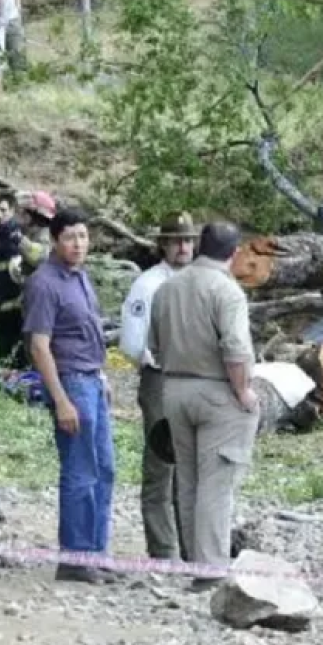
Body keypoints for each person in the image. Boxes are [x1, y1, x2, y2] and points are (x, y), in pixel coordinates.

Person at [148, 222, 258, 590]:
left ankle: (195, 561)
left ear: (199, 247)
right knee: (217, 481)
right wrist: (243, 392)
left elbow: (155, 344)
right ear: (234, 252)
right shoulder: (227, 291)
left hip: (175, 388)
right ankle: (212, 567)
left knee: (189, 479)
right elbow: (235, 347)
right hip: (217, 390)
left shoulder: (167, 288)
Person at [23, 207, 115, 584]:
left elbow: (88, 330)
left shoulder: (80, 277)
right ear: (55, 240)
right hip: (70, 381)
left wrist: (103, 374)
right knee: (81, 470)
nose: (78, 244)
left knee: (105, 468)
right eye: (70, 238)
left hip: (92, 378)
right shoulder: (44, 283)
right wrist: (60, 399)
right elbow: (39, 346)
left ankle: (97, 551)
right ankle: (75, 556)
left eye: (83, 236)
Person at [118, 211, 199, 561]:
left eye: (188, 240)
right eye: (176, 241)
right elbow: (132, 342)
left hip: (195, 380)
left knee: (191, 467)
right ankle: (163, 549)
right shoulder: (148, 284)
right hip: (162, 379)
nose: (183, 247)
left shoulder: (202, 279)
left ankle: (192, 546)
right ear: (163, 245)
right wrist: (155, 363)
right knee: (160, 464)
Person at [0, 190, 56, 368]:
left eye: (4, 210)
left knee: (25, 348)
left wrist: (21, 241)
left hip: (24, 301)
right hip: (2, 301)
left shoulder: (37, 234)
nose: (0, 215)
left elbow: (40, 259)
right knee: (6, 347)